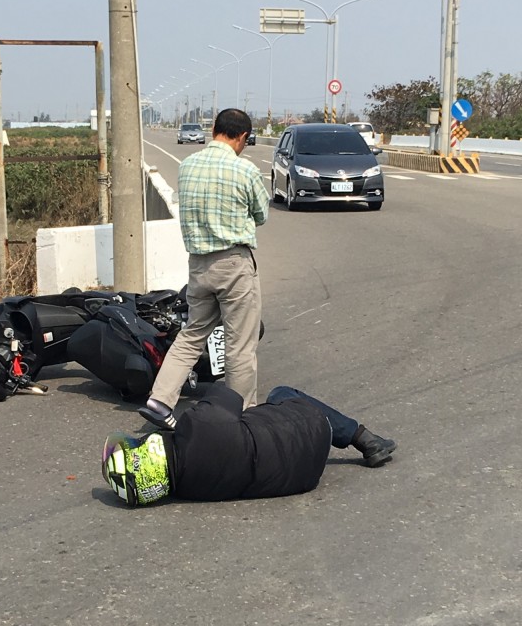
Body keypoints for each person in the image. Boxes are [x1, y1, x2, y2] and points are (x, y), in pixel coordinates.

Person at [138, 108, 270, 431]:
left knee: (192, 335)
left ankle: (160, 399)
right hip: (234, 265)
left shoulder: (187, 167)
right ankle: (239, 418)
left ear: (213, 129)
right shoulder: (245, 170)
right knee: (239, 345)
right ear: (242, 138)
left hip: (198, 266)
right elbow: (262, 214)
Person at [104, 382, 397, 507]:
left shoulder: (190, 490)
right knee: (280, 392)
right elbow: (228, 393)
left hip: (305, 477)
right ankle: (363, 437)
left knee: (247, 434)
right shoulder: (198, 426)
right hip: (314, 428)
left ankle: (363, 438)